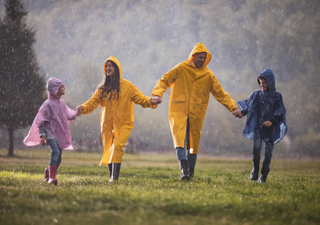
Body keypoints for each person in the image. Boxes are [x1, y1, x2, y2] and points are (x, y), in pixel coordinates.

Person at [152, 43, 242, 180]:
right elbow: (164, 80)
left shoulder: (208, 75)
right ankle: (185, 172)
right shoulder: (181, 68)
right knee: (179, 140)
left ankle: (190, 172)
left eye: (204, 58)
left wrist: (233, 107)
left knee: (194, 143)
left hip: (197, 113)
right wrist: (158, 94)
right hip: (178, 110)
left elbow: (221, 93)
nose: (202, 60)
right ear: (193, 56)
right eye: (200, 57)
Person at [76, 56, 162, 182]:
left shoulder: (128, 86)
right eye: (106, 66)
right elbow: (92, 103)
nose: (107, 68)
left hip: (124, 123)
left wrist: (151, 100)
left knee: (117, 147)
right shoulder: (102, 88)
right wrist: (82, 108)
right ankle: (112, 176)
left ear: (116, 68)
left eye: (110, 66)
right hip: (107, 125)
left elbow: (141, 99)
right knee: (110, 148)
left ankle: (114, 178)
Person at [236, 69, 287, 183]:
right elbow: (249, 108)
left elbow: (280, 112)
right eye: (260, 82)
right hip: (258, 127)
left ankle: (263, 174)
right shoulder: (256, 94)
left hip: (271, 129)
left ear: (270, 82)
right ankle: (255, 169)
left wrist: (272, 121)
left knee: (268, 152)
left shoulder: (277, 96)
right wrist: (241, 113)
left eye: (264, 82)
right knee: (256, 148)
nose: (261, 85)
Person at [24, 78, 77, 185]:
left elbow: (68, 114)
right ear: (55, 89)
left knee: (59, 157)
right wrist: (43, 135)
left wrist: (78, 112)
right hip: (50, 133)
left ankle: (48, 172)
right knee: (55, 151)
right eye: (61, 86)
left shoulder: (62, 103)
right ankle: (52, 177)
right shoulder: (47, 104)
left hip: (59, 134)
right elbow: (41, 120)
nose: (64, 87)